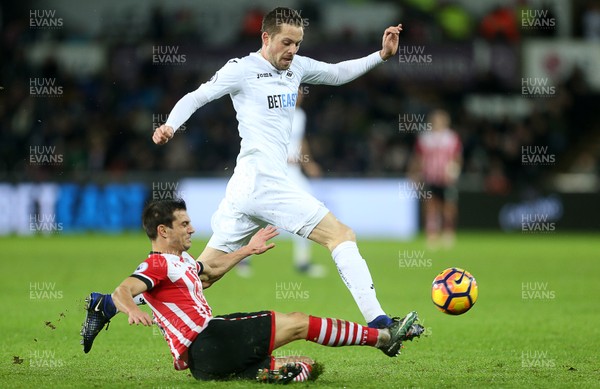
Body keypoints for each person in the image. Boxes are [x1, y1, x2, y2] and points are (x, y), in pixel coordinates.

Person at [152, 6, 405, 329]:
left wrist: (381, 55)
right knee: (341, 235)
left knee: (207, 273)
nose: (293, 51)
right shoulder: (241, 70)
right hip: (261, 181)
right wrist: (170, 126)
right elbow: (196, 97)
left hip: (248, 186)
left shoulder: (296, 68)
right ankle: (380, 323)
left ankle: (114, 301)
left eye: (298, 43)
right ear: (266, 37)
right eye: (287, 43)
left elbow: (338, 73)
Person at [81, 199, 424, 383]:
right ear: (163, 230)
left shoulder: (181, 261)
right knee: (298, 322)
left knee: (297, 357)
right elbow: (124, 289)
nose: (192, 228)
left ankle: (260, 369)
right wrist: (131, 309)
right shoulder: (157, 264)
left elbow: (210, 269)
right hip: (206, 340)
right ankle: (382, 337)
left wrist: (248, 249)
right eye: (184, 224)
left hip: (204, 361)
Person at [236, 86, 326, 278]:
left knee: (309, 207)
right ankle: (242, 258)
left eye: (301, 92)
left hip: (293, 172)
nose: (299, 96)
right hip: (274, 171)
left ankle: (303, 261)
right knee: (259, 213)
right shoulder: (274, 113)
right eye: (295, 93)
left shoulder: (300, 115)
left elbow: (300, 141)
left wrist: (309, 164)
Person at [409, 109, 462, 248]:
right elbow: (418, 157)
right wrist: (414, 173)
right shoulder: (425, 138)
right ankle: (432, 233)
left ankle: (448, 232)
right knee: (431, 206)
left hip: (447, 178)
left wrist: (454, 170)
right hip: (430, 177)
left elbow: (457, 157)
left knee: (449, 206)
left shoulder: (451, 137)